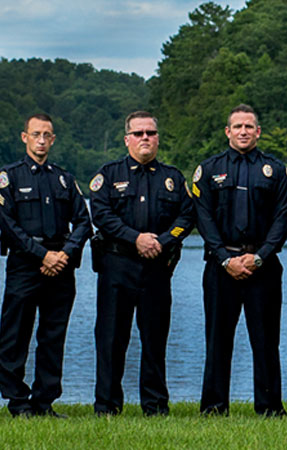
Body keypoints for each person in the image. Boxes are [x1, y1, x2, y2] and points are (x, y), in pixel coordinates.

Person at [89, 111, 197, 416]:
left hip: (157, 269)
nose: (145, 138)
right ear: (127, 139)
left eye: (150, 132)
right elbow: (101, 215)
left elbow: (186, 217)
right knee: (111, 340)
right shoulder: (108, 175)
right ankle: (107, 406)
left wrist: (162, 241)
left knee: (154, 340)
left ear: (158, 138)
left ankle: (155, 405)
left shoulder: (173, 178)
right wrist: (135, 238)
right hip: (117, 266)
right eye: (138, 133)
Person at [191, 104, 287, 416]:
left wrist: (260, 256)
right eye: (237, 126)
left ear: (258, 132)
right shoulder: (209, 169)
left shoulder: (275, 170)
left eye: (249, 126)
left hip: (262, 266)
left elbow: (284, 218)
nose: (243, 132)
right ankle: (213, 406)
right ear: (227, 131)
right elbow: (203, 217)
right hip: (221, 266)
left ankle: (269, 408)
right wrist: (224, 258)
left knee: (265, 342)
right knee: (217, 340)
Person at [0, 113, 91, 418]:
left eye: (47, 135)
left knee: (52, 336)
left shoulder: (64, 179)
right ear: (25, 137)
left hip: (61, 267)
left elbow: (84, 222)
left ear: (54, 139)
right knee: (15, 335)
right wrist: (41, 255)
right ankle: (18, 401)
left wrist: (64, 253)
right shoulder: (9, 177)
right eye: (36, 134)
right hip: (25, 265)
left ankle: (44, 401)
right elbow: (8, 225)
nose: (42, 140)